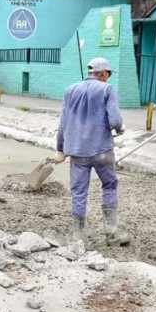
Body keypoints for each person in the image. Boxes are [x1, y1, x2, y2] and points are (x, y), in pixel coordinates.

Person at [54, 57, 130, 248]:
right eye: (108, 74)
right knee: (110, 186)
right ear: (103, 73)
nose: (108, 78)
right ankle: (111, 235)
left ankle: (78, 237)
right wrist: (120, 127)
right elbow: (115, 120)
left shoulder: (69, 90)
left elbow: (63, 121)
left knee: (79, 192)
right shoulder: (107, 89)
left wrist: (60, 148)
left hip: (78, 151)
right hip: (102, 150)